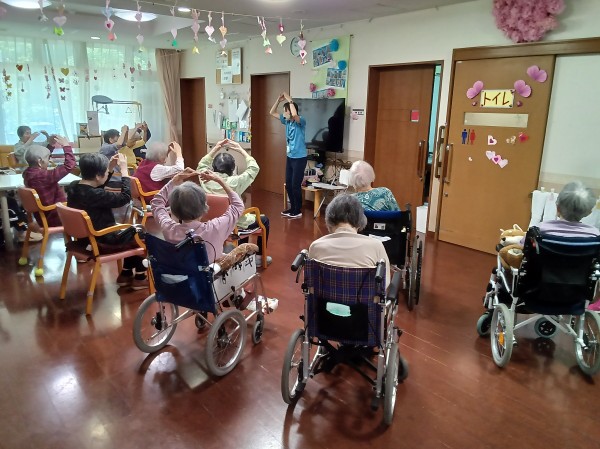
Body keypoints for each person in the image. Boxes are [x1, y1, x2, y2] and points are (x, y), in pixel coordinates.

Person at [66, 153, 148, 289]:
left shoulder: (73, 187)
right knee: (141, 235)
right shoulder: (96, 195)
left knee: (129, 233)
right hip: (101, 242)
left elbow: (96, 187)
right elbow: (125, 198)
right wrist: (124, 172)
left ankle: (126, 274)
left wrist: (109, 168)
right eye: (105, 172)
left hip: (84, 240)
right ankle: (140, 277)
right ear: (98, 176)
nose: (107, 174)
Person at [197, 138, 271, 267]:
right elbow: (254, 168)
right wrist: (241, 150)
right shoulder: (236, 181)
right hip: (233, 224)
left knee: (244, 217)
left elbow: (202, 164)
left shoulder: (205, 179)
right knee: (263, 220)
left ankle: (242, 252)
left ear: (213, 167)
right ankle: (259, 257)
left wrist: (216, 148)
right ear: (232, 169)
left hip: (212, 222)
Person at [151, 168, 244, 262]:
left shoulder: (168, 228)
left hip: (179, 270)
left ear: (173, 210)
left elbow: (156, 203)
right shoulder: (215, 228)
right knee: (231, 248)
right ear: (205, 206)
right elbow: (238, 206)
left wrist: (174, 180)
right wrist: (219, 180)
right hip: (211, 270)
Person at [309, 194, 390, 288]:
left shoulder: (316, 246)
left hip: (324, 298)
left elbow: (310, 286)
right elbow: (385, 284)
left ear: (328, 220)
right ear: (360, 221)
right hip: (366, 297)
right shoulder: (376, 246)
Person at [22, 136, 76, 227]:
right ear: (40, 162)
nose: (49, 160)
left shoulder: (28, 173)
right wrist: (66, 146)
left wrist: (50, 145)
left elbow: (41, 157)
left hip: (42, 216)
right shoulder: (44, 176)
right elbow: (69, 166)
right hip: (55, 216)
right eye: (48, 158)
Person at [269, 92, 307, 219]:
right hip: (290, 157)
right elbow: (272, 112)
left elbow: (295, 115)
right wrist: (278, 100)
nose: (284, 113)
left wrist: (290, 100)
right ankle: (292, 208)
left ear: (290, 111)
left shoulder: (300, 121)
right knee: (288, 184)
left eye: (286, 111)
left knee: (295, 184)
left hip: (300, 158)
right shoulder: (287, 122)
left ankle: (298, 210)